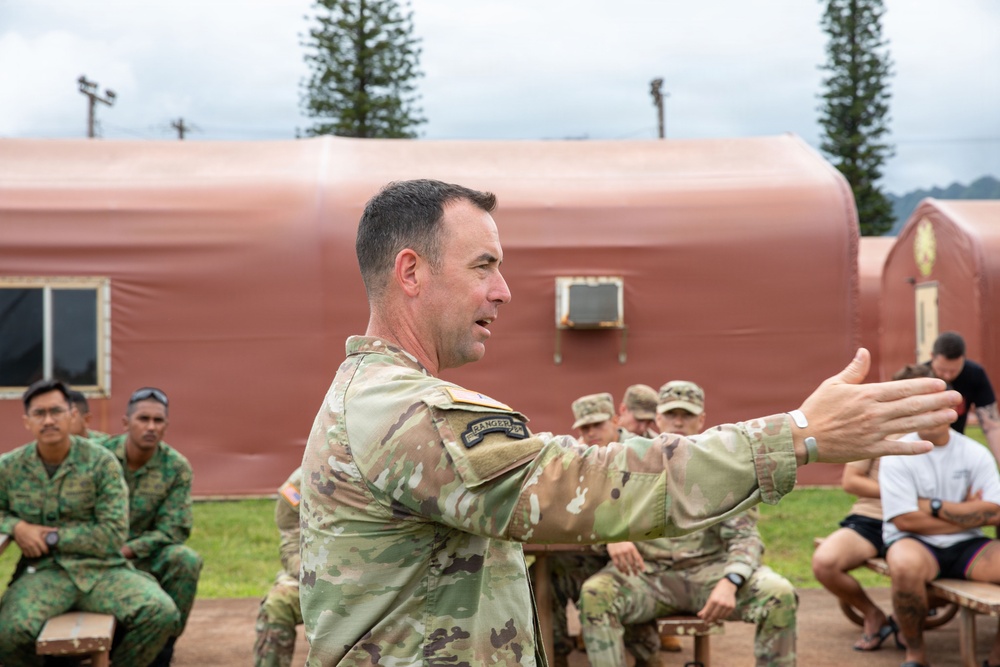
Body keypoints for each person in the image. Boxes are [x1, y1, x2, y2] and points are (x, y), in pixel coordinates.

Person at [298, 178, 959, 666]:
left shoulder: (375, 395)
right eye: (484, 266)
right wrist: (798, 433)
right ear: (411, 271)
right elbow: (591, 479)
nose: (502, 290)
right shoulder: (403, 409)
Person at [580, 381, 797, 667]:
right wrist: (610, 536)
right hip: (647, 576)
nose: (678, 422)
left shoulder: (724, 467)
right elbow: (591, 509)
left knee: (779, 594)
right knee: (596, 594)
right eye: (671, 414)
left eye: (687, 415)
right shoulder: (630, 460)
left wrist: (731, 580)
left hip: (708, 573)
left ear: (702, 420)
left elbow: (745, 538)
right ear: (657, 418)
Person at [0, 378, 179, 667]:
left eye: (56, 411)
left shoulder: (101, 463)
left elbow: (112, 534)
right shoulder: (9, 468)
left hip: (102, 571)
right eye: (39, 414)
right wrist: (17, 527)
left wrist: (51, 538)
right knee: (9, 633)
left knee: (161, 613)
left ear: (72, 415)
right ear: (26, 422)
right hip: (45, 573)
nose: (48, 420)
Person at [880, 363, 1000, 667]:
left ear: (953, 411)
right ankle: (915, 654)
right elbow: (905, 520)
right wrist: (968, 513)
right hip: (914, 542)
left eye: (936, 408)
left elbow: (995, 512)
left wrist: (931, 506)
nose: (927, 416)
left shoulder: (975, 453)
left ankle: (997, 654)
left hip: (967, 546)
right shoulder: (898, 452)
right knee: (904, 566)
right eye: (921, 408)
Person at [811, 364, 927, 652]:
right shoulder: (878, 429)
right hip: (872, 517)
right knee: (825, 563)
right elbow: (851, 481)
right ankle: (873, 614)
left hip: (918, 523)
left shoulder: (939, 433)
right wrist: (898, 494)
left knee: (943, 567)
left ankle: (904, 619)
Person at [547, 393, 670, 667]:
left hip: (645, 554)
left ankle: (647, 654)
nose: (590, 433)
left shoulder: (642, 450)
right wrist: (609, 538)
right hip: (595, 551)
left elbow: (645, 508)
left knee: (628, 570)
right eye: (584, 427)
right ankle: (557, 655)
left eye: (597, 425)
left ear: (615, 420)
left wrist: (618, 534)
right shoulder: (575, 455)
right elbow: (569, 508)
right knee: (547, 574)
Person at [101, 386, 202, 667]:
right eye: (142, 419)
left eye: (158, 421)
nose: (150, 427)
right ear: (125, 422)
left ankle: (163, 644)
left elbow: (175, 529)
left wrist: (130, 550)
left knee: (185, 560)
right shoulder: (101, 458)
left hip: (144, 556)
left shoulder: (175, 467)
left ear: (166, 426)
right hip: (97, 554)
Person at [253, 467, 304, 667]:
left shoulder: (383, 471)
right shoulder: (300, 484)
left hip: (384, 575)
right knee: (278, 604)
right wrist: (310, 575)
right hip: (318, 575)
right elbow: (291, 544)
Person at [925, 331, 1000, 461]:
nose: (947, 376)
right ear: (932, 356)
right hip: (923, 446)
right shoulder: (920, 376)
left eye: (953, 371)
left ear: (963, 359)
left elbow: (992, 425)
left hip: (955, 445)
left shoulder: (975, 375)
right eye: (942, 370)